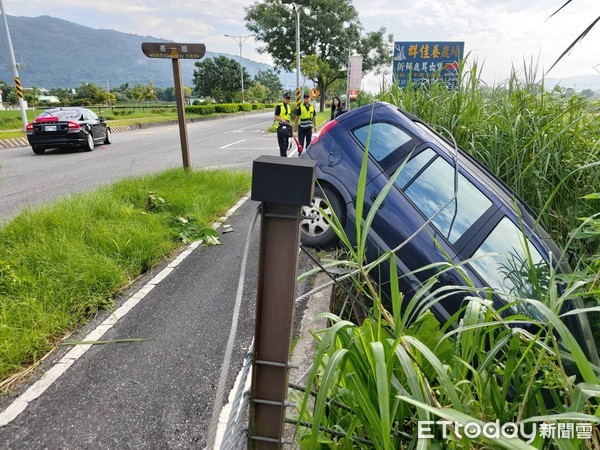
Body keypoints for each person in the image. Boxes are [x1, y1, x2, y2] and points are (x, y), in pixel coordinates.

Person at [274, 92, 293, 157]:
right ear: (284, 98)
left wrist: (291, 126)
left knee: (286, 144)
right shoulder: (279, 106)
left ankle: (284, 157)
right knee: (282, 146)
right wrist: (282, 120)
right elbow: (275, 117)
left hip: (287, 128)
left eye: (289, 98)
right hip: (280, 128)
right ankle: (283, 158)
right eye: (287, 98)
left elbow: (289, 117)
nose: (288, 100)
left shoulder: (288, 107)